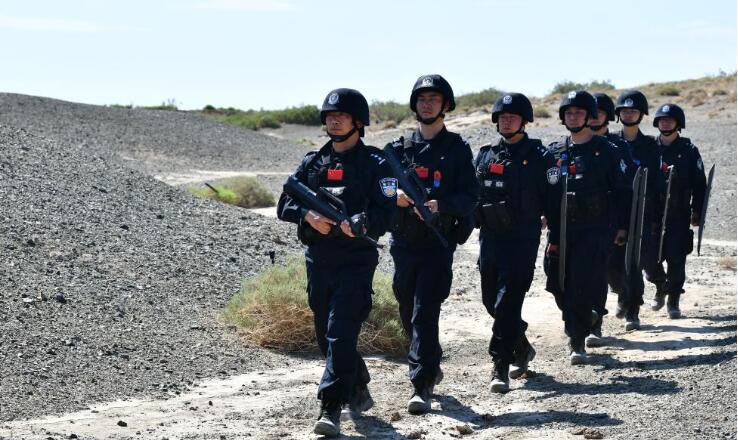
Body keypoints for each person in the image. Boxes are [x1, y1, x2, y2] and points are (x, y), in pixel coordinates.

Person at [276, 88, 397, 437]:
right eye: (330, 116)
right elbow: (285, 203)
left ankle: (330, 407)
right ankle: (357, 381)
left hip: (356, 260)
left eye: (341, 115)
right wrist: (307, 216)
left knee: (341, 333)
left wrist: (361, 223)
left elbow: (388, 213)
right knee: (325, 338)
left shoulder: (376, 164)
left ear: (358, 122)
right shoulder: (313, 162)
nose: (334, 120)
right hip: (319, 259)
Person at [386, 74, 479, 413]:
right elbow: (379, 187)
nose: (427, 104)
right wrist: (394, 195)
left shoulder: (457, 149)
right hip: (403, 242)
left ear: (445, 106)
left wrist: (442, 205)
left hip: (437, 243)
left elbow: (470, 196)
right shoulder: (398, 149)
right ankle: (431, 361)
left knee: (425, 310)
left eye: (434, 99)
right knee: (406, 308)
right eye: (422, 99)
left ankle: (421, 384)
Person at [474, 93, 561, 392]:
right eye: (502, 117)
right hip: (490, 239)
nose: (506, 121)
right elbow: (473, 195)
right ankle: (521, 346)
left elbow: (554, 201)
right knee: (491, 302)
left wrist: (556, 238)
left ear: (524, 121)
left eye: (512, 117)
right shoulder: (485, 155)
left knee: (508, 301)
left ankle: (500, 364)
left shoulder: (541, 156)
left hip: (522, 239)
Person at [546, 90, 630, 365]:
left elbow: (622, 191)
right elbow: (544, 189)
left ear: (589, 116)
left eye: (579, 112)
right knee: (557, 282)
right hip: (561, 229)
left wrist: (623, 226)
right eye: (569, 113)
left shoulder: (606, 151)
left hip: (595, 229)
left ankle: (577, 339)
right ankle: (583, 316)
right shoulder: (554, 152)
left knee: (581, 281)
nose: (573, 117)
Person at [644, 103, 707, 318]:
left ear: (678, 124)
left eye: (670, 120)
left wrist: (697, 211)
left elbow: (700, 185)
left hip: (679, 212)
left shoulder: (689, 150)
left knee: (676, 257)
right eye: (662, 120)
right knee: (648, 257)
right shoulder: (649, 148)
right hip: (652, 213)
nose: (665, 123)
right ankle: (660, 284)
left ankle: (673, 299)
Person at [586, 93, 637, 346]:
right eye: (591, 113)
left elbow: (626, 190)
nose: (594, 118)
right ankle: (593, 325)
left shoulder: (618, 147)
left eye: (600, 113)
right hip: (582, 223)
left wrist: (623, 225)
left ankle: (626, 295)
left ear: (608, 116)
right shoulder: (574, 145)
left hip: (611, 221)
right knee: (591, 275)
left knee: (614, 270)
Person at [612, 90, 665, 330]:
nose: (628, 114)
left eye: (633, 111)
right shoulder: (611, 143)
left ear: (641, 114)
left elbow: (656, 184)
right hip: (616, 212)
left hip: (643, 211)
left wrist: (656, 218)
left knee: (636, 262)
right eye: (624, 110)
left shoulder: (651, 146)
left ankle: (633, 310)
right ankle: (623, 295)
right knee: (612, 264)